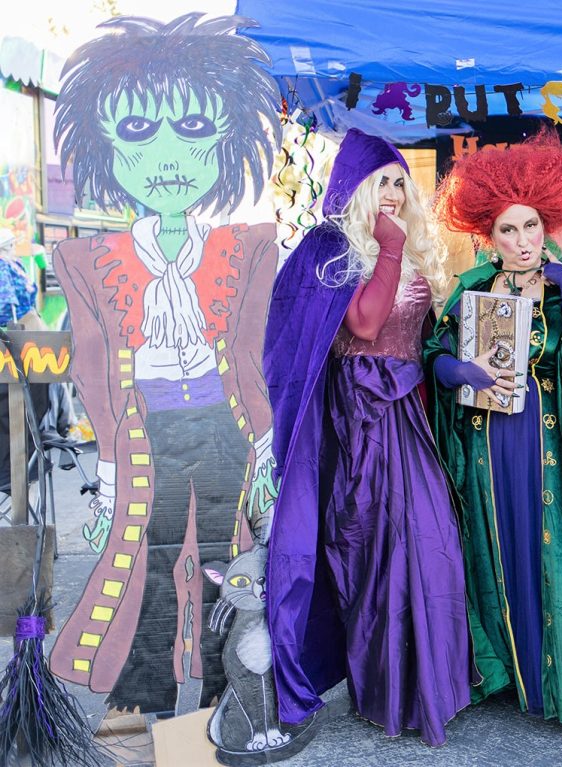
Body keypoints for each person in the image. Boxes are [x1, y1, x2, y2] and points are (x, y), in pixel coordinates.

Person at [49, 14, 281, 713]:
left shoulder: (249, 248)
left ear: (231, 137)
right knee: (146, 563)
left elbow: (256, 353)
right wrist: (111, 475)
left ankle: (219, 696)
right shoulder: (87, 260)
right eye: (140, 131)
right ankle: (138, 700)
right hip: (147, 428)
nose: (169, 155)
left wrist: (269, 454)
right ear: (104, 145)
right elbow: (94, 377)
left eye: (195, 128)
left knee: (227, 558)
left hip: (225, 427)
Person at [262, 128, 470, 746]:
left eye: (400, 182)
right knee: (375, 550)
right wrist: (387, 246)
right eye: (380, 181)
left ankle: (425, 684)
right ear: (353, 188)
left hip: (409, 409)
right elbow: (367, 322)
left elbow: (422, 336)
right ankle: (382, 687)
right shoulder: (333, 247)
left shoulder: (407, 248)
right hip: (363, 416)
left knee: (432, 543)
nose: (392, 193)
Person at [425, 131, 562, 737]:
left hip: (550, 445)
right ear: (488, 233)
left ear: (548, 222)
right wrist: (458, 367)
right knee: (498, 549)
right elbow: (435, 353)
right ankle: (508, 672)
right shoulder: (472, 287)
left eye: (531, 226)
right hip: (488, 442)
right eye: (507, 230)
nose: (522, 240)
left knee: (555, 549)